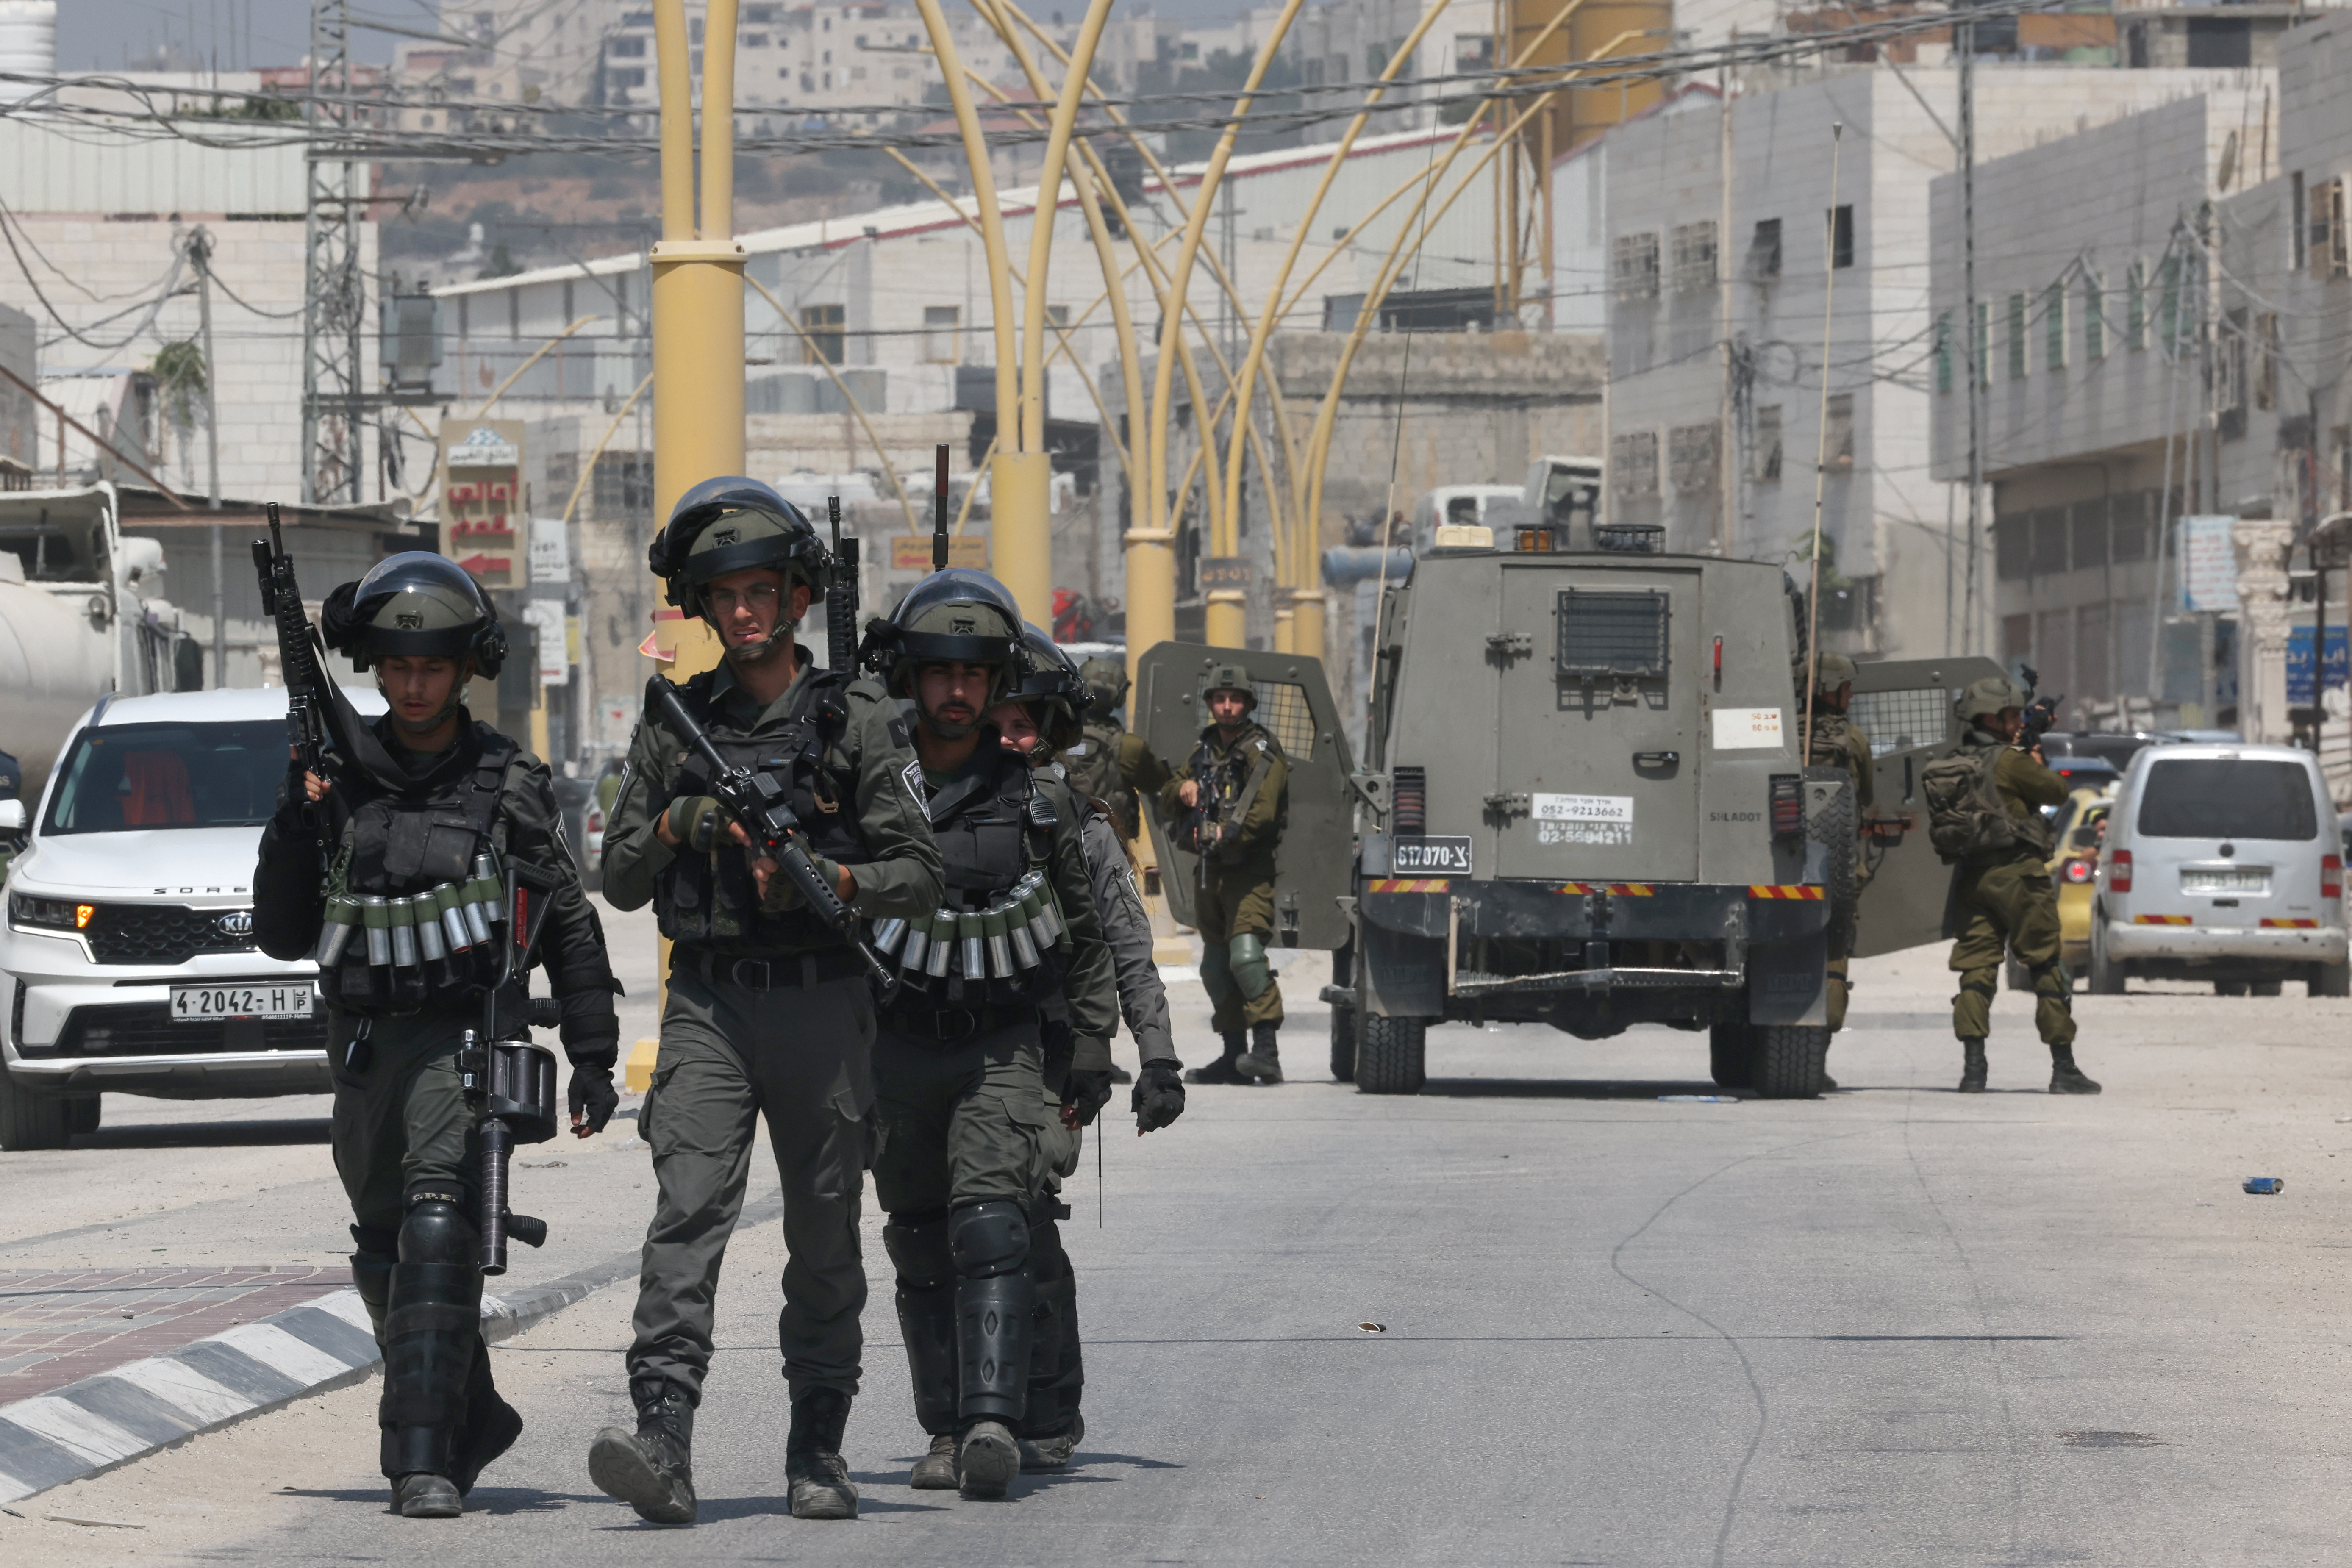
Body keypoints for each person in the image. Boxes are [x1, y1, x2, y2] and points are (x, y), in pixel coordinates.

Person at [589, 477, 944, 1526]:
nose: (744, 613)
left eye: (761, 591)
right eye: (724, 595)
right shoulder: (676, 722)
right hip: (710, 1003)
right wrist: (686, 822)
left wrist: (836, 882)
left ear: (796, 594)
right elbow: (614, 875)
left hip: (825, 1002)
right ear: (701, 606)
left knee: (826, 1228)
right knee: (686, 1212)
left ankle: (818, 1445)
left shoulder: (860, 720)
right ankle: (663, 1434)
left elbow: (918, 868)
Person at [251, 554, 621, 1520]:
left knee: (432, 1224)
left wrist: (592, 1053)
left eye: (434, 665)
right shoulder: (338, 774)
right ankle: (474, 1403)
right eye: (398, 665)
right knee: (384, 1247)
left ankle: (419, 1455)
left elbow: (569, 924)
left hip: (462, 1038)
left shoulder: (507, 781)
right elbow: (284, 932)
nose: (415, 684)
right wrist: (298, 819)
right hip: (364, 1045)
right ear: (375, 666)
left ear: (466, 668)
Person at [860, 570, 1119, 1500]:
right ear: (911, 679)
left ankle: (992, 1421)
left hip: (1002, 1043)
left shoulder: (1040, 804)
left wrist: (1092, 1045)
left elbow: (1085, 936)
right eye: (938, 672)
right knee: (920, 1239)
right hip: (895, 1045)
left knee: (995, 1226)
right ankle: (941, 1426)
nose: (957, 691)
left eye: (975, 674)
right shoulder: (867, 791)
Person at [983, 628, 1187, 1472]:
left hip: (1054, 1047)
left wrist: (1159, 1056)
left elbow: (1126, 942)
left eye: (1027, 725)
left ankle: (1046, 1404)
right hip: (946, 1044)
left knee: (1020, 1217)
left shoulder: (1079, 820)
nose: (1010, 739)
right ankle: (965, 1412)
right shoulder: (921, 806)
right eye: (998, 722)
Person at [1943, 675, 2100, 1096]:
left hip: (1973, 878)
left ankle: (1973, 1069)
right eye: (2010, 716)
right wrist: (2032, 755)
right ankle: (2063, 1067)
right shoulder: (2011, 760)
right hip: (2019, 875)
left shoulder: (1955, 759)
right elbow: (2056, 788)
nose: (2016, 723)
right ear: (1989, 719)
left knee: (1976, 970)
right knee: (2047, 965)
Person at [1160, 665, 1289, 1085]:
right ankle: (1234, 1056)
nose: (1227, 706)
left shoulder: (1262, 749)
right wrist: (1182, 790)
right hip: (1210, 871)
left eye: (1235, 698)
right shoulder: (1203, 749)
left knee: (1247, 957)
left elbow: (1264, 812)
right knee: (1215, 967)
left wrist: (1222, 831)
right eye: (1220, 698)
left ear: (1248, 703)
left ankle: (1266, 1052)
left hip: (1249, 870)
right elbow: (1170, 789)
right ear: (1211, 703)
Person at [1803, 652, 1874, 1086]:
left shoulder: (1776, 730)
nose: (1849, 695)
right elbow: (1864, 793)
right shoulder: (1851, 739)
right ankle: (1817, 1060)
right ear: (1828, 690)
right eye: (1845, 687)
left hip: (1776, 866)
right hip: (1836, 870)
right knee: (1833, 958)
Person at [1063, 655, 1142, 845]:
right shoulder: (1127, 744)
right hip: (1112, 839)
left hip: (1067, 836)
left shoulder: (1059, 734)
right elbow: (1157, 782)